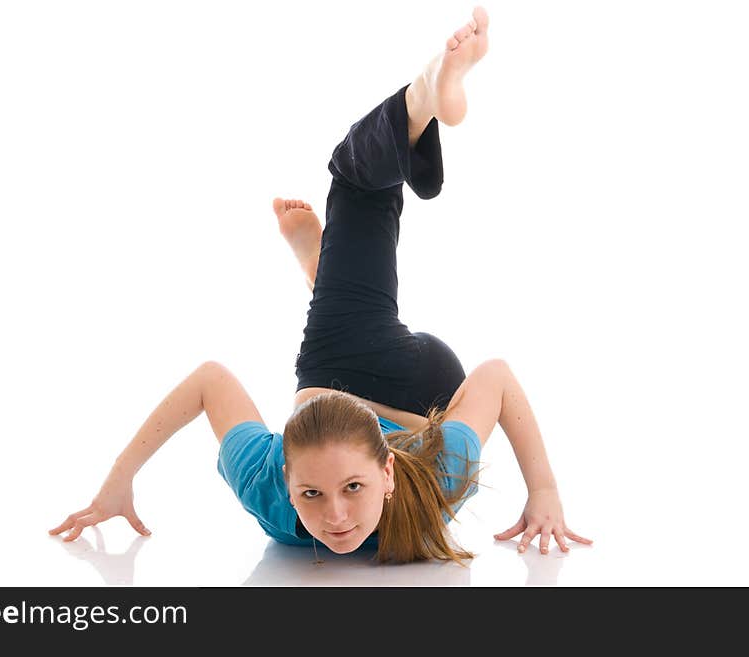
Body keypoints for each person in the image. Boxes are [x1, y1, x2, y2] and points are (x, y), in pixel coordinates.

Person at [49, 6, 592, 565]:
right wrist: (545, 492)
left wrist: (117, 480)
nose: (335, 517)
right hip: (425, 396)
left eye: (348, 489)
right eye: (313, 493)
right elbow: (494, 378)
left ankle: (423, 100)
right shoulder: (436, 478)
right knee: (352, 201)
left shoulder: (263, 486)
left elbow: (210, 381)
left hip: (347, 357)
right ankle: (331, 255)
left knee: (355, 180)